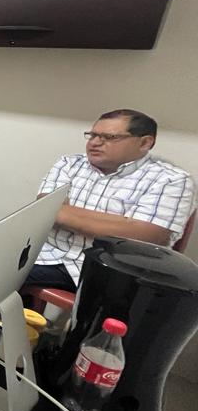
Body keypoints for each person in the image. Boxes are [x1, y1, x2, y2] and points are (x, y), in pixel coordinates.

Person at [23, 109, 194, 291]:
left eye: (109, 137)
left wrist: (64, 213)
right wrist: (124, 223)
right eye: (92, 135)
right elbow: (46, 208)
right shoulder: (69, 164)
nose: (95, 143)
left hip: (114, 272)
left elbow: (148, 236)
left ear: (145, 142)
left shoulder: (171, 179)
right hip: (49, 255)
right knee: (2, 271)